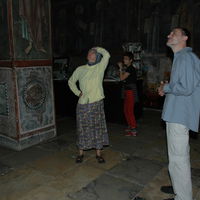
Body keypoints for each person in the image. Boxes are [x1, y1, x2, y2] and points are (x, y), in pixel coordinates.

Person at [158, 27, 200, 200]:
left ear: (185, 37)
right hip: (176, 113)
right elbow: (183, 84)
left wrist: (167, 87)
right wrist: (166, 88)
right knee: (177, 157)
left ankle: (183, 197)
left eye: (173, 33)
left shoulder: (186, 57)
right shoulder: (181, 58)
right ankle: (179, 187)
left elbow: (187, 87)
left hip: (179, 116)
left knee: (178, 159)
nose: (169, 35)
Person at [68, 47, 110, 163]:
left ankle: (98, 154)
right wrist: (77, 92)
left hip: (96, 103)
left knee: (97, 128)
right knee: (82, 128)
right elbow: (71, 81)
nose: (92, 55)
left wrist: (97, 48)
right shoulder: (80, 69)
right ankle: (81, 153)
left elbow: (106, 55)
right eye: (90, 53)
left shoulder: (100, 67)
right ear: (87, 56)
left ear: (97, 57)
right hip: (83, 104)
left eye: (94, 54)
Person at [118, 52, 138, 136]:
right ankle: (130, 126)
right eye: (124, 59)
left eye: (126, 59)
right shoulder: (128, 68)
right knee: (126, 110)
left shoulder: (130, 69)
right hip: (127, 91)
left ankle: (134, 130)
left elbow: (122, 78)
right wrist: (122, 69)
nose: (124, 60)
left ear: (131, 60)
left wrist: (120, 68)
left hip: (130, 92)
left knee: (129, 110)